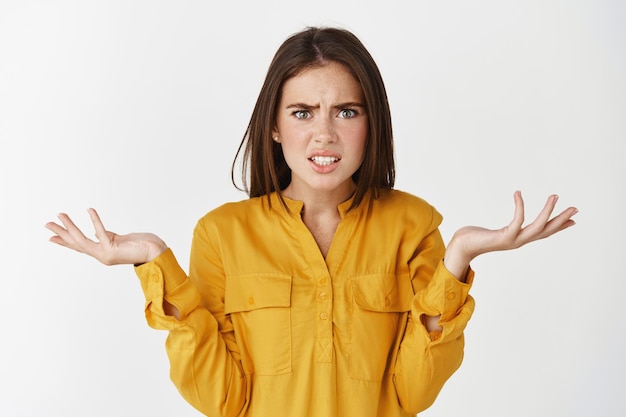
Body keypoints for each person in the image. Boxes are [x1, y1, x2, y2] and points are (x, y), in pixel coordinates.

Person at [45, 27, 577, 417]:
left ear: (371, 125)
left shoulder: (413, 225)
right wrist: (154, 261)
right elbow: (221, 399)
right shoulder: (222, 233)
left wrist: (458, 258)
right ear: (274, 127)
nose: (324, 134)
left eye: (347, 111)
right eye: (302, 112)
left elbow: (410, 394)